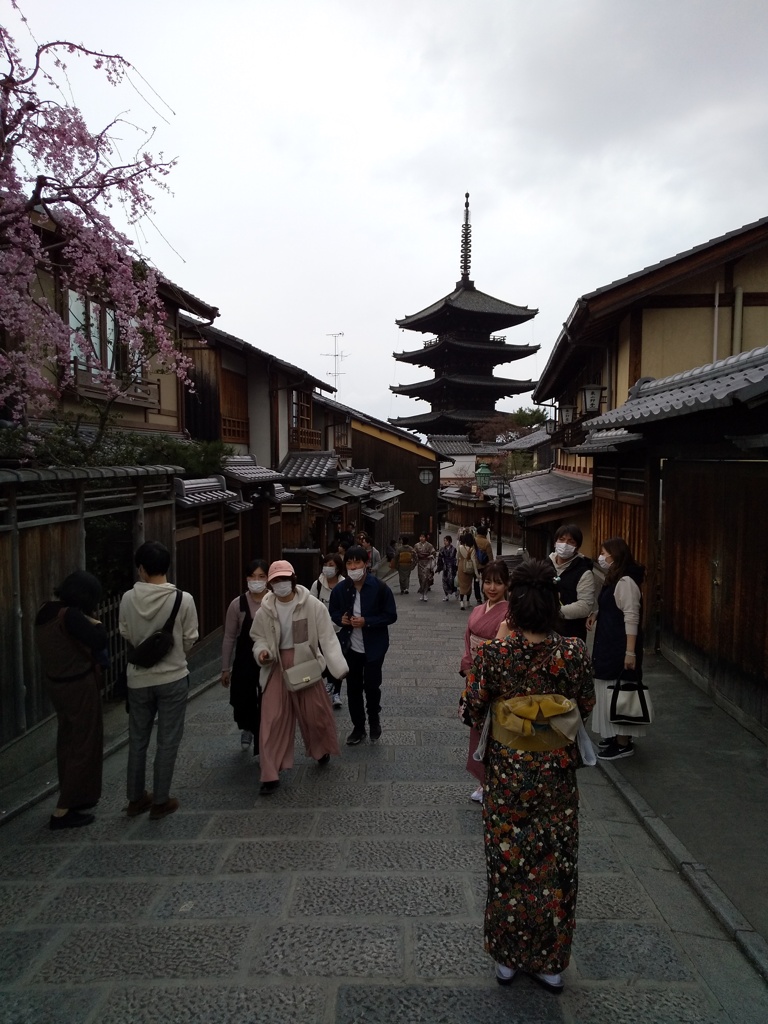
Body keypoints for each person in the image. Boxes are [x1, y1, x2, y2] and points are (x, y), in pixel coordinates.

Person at [463, 559, 595, 994]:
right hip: (556, 776)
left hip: (508, 777)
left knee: (509, 864)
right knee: (554, 864)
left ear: (514, 608)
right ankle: (550, 962)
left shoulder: (496, 655)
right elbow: (586, 704)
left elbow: (471, 708)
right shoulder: (573, 652)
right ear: (555, 604)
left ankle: (508, 957)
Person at [250, 559, 347, 794]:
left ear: (293, 579)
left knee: (315, 714)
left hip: (306, 665)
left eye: (284, 579)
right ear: (271, 584)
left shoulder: (313, 606)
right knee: (271, 719)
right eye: (276, 581)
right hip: (276, 665)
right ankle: (270, 773)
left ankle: (321, 748)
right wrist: (262, 652)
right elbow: (259, 637)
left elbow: (327, 638)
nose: (281, 584)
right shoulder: (265, 609)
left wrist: (338, 667)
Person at [119, 541, 199, 820]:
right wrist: (175, 652)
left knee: (137, 739)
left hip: (138, 679)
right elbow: (191, 637)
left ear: (141, 568)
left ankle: (135, 798)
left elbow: (126, 632)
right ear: (166, 567)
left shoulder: (128, 598)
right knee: (168, 740)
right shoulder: (183, 599)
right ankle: (161, 800)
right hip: (173, 676)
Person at [35, 571, 107, 831]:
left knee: (67, 741)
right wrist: (95, 621)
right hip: (78, 684)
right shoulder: (72, 616)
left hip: (56, 684)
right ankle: (63, 810)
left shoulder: (46, 610)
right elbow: (100, 639)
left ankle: (75, 796)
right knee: (84, 744)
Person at [329, 545, 398, 745]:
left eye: (357, 562)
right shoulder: (341, 589)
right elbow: (332, 611)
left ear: (365, 564)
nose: (353, 567)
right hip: (350, 646)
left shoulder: (379, 587)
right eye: (349, 563)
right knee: (353, 688)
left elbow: (390, 615)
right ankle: (358, 727)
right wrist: (340, 619)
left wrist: (367, 621)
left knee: (372, 686)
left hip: (374, 646)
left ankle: (374, 720)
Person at [588, 537, 646, 761]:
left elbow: (632, 616)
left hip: (620, 645)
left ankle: (623, 742)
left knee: (621, 691)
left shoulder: (626, 582)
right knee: (610, 689)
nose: (601, 558)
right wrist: (596, 615)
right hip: (609, 641)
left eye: (605, 553)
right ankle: (615, 736)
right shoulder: (614, 578)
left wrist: (630, 652)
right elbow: (611, 606)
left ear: (616, 555)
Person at [459, 560, 510, 802]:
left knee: (495, 730)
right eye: (488, 581)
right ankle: (482, 780)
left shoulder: (510, 613)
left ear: (506, 585)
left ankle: (496, 780)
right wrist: (469, 667)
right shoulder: (478, 610)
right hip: (475, 677)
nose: (492, 587)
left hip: (495, 678)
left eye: (498, 583)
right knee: (478, 728)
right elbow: (469, 640)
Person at [221, 559, 268, 751]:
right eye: (252, 576)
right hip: (244, 660)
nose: (256, 580)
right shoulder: (237, 604)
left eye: (261, 576)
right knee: (243, 699)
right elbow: (229, 637)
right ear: (246, 578)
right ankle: (247, 726)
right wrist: (225, 668)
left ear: (268, 579)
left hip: (267, 659)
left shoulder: (273, 601)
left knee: (266, 701)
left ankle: (262, 745)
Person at [549, 523, 595, 641]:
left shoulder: (584, 572)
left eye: (571, 542)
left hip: (571, 635)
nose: (565, 545)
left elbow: (585, 606)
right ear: (555, 542)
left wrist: (554, 611)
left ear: (577, 547)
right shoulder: (545, 565)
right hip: (544, 632)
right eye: (562, 539)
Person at [312, 551, 346, 708]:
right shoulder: (317, 584)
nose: (327, 568)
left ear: (338, 568)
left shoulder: (345, 584)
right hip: (320, 630)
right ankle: (327, 685)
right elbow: (310, 604)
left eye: (331, 565)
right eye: (325, 565)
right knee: (322, 660)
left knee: (336, 660)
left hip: (339, 629)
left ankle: (336, 693)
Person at [456, 531, 478, 611]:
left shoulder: (460, 547)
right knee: (468, 585)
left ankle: (461, 602)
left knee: (462, 585)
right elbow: (474, 561)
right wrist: (476, 573)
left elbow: (457, 557)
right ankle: (467, 601)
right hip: (469, 568)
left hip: (461, 566)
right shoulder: (472, 550)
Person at [414, 532, 436, 601]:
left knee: (426, 578)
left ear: (426, 538)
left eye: (423, 537)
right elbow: (414, 553)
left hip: (427, 563)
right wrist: (416, 557)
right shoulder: (416, 545)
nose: (421, 538)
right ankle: (422, 593)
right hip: (420, 563)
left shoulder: (429, 545)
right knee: (421, 578)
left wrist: (431, 556)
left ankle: (425, 594)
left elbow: (433, 553)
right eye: (420, 537)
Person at [436, 535, 458, 601]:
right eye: (444, 540)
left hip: (452, 567)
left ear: (449, 541)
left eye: (446, 541)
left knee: (452, 581)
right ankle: (446, 595)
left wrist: (457, 567)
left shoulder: (454, 549)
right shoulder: (442, 549)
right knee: (444, 581)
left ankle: (456, 591)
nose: (445, 542)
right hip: (445, 567)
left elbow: (456, 559)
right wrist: (439, 568)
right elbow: (440, 559)